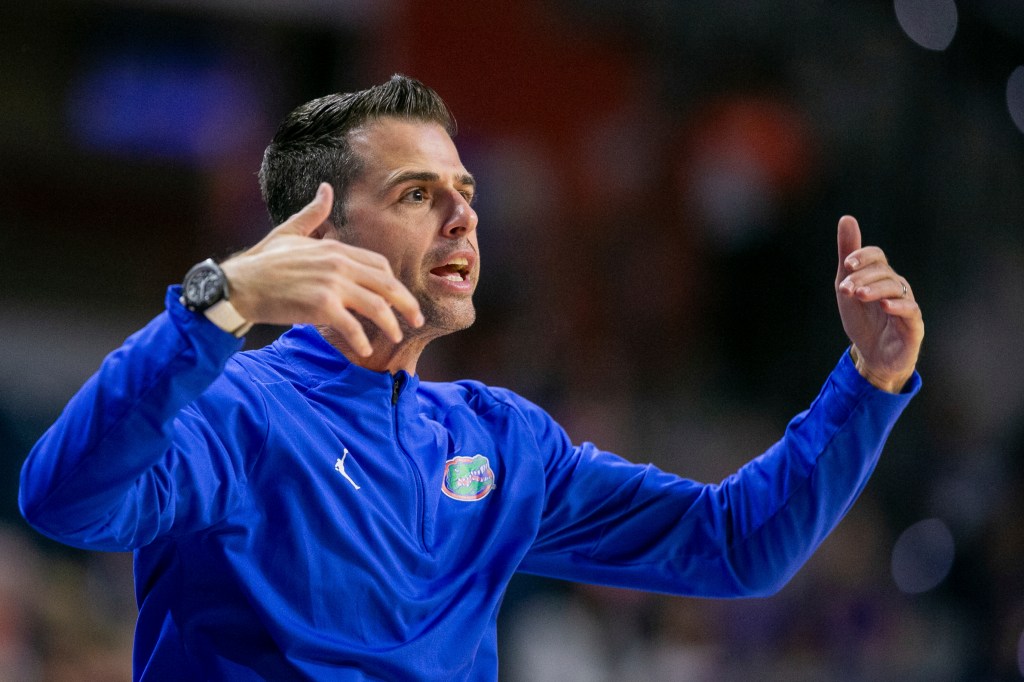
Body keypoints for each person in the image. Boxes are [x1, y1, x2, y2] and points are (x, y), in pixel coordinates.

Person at [19, 75, 923, 681]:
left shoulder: (499, 439)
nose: (463, 216)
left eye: (466, 191)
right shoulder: (234, 412)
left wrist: (868, 383)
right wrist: (217, 301)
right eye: (419, 195)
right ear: (321, 231)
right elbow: (61, 500)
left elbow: (734, 547)